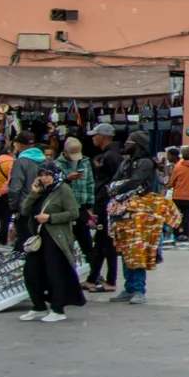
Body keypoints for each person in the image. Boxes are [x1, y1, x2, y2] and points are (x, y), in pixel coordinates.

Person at [18, 143, 87, 321]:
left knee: (55, 272)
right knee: (31, 272)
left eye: (47, 175)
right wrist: (33, 193)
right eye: (41, 175)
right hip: (38, 239)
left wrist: (50, 218)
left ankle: (57, 309)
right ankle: (38, 305)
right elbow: (24, 210)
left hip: (55, 238)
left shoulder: (63, 189)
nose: (45, 178)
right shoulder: (41, 191)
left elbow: (73, 213)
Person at [108, 176, 181, 303]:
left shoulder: (153, 201)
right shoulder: (119, 201)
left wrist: (160, 230)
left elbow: (174, 216)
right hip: (126, 239)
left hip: (141, 240)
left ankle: (138, 290)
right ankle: (129, 289)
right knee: (127, 262)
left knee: (138, 262)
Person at [81, 122, 122, 290]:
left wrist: (108, 200)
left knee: (106, 241)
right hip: (104, 203)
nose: (93, 138)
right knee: (100, 241)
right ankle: (93, 278)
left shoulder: (111, 156)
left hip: (106, 204)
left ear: (104, 136)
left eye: (95, 135)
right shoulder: (109, 154)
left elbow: (116, 181)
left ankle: (110, 280)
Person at [168, 147, 189, 244]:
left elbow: (171, 183)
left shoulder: (178, 167)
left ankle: (177, 236)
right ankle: (186, 236)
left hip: (178, 196)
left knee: (176, 218)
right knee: (187, 219)